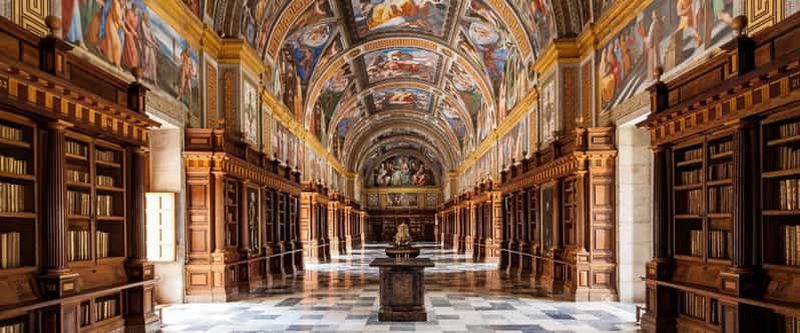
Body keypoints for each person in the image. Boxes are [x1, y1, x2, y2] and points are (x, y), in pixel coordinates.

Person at [99, 0, 124, 67]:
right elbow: (118, 19)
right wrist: (125, 30)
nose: (124, 1)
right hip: (111, 24)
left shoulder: (119, 4)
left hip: (113, 25)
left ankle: (111, 60)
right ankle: (116, 62)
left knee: (110, 42)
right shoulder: (115, 3)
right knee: (116, 44)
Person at [139, 11, 158, 85]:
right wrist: (153, 44)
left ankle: (154, 81)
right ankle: (143, 75)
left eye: (147, 16)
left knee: (153, 63)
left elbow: (152, 35)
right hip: (146, 45)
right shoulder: (142, 23)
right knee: (145, 61)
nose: (146, 18)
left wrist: (156, 42)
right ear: (144, 17)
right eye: (145, 16)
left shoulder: (148, 24)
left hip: (151, 46)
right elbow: (146, 37)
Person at [121, 4, 140, 70]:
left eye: (137, 11)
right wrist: (132, 31)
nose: (137, 11)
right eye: (136, 10)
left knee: (132, 50)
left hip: (132, 34)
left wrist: (135, 33)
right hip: (128, 32)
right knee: (131, 49)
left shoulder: (136, 16)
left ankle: (131, 66)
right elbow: (126, 21)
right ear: (133, 8)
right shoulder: (129, 12)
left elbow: (135, 27)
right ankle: (130, 65)